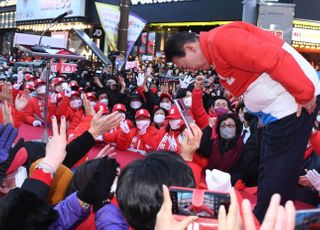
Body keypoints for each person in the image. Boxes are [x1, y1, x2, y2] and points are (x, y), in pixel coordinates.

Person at [165, 21, 320, 222]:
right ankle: (263, 219)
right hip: (278, 110)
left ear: (190, 48)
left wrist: (303, 92)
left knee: (278, 174)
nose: (192, 70)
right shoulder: (216, 47)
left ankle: (269, 222)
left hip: (292, 104)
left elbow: (274, 58)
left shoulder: (222, 39)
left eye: (186, 65)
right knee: (270, 171)